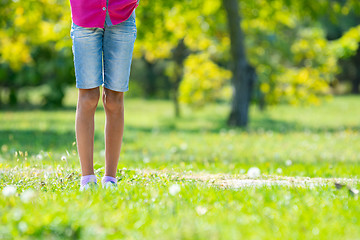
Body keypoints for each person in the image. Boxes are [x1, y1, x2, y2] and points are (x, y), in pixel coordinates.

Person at [69, 0, 139, 190]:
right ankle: (87, 178)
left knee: (114, 99)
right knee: (89, 96)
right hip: (85, 15)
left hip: (122, 15)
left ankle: (110, 179)